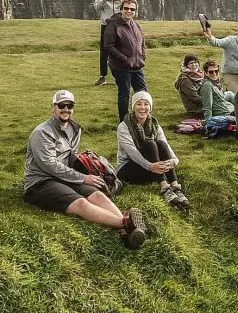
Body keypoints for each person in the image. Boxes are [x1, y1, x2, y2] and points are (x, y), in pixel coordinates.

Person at [23, 90, 147, 249]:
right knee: (80, 203)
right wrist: (82, 177)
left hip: (63, 176)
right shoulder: (42, 132)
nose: (66, 109)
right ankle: (125, 222)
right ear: (53, 107)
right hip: (40, 182)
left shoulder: (74, 128)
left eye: (70, 105)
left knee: (96, 194)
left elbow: (71, 156)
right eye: (62, 105)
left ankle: (127, 230)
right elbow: (49, 165)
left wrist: (89, 167)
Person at [116, 91, 189, 208]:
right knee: (150, 145)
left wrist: (174, 161)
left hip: (152, 169)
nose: (142, 108)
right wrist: (150, 166)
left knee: (160, 144)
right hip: (128, 169)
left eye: (146, 104)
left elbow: (165, 144)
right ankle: (165, 187)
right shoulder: (124, 126)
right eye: (139, 104)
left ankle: (175, 186)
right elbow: (132, 152)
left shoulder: (155, 124)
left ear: (150, 107)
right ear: (133, 106)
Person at [104, 0, 147, 123]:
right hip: (121, 67)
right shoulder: (113, 25)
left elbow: (142, 42)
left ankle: (143, 118)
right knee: (124, 94)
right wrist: (125, 59)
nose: (129, 11)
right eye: (126, 8)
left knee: (143, 92)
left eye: (132, 9)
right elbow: (108, 46)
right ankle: (125, 122)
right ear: (121, 9)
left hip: (137, 65)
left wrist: (142, 56)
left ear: (135, 11)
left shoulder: (136, 24)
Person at [93, 0, 131, 86]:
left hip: (120, 24)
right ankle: (102, 76)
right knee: (104, 51)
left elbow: (130, 6)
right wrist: (103, 0)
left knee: (120, 49)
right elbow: (96, 7)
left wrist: (123, 0)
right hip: (106, 23)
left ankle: (119, 76)